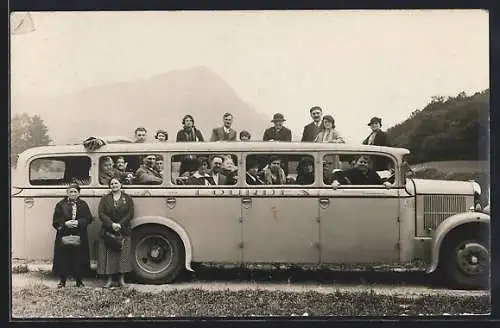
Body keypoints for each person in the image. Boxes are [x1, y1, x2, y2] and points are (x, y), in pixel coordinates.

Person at [52, 182, 92, 288]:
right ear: (67, 193)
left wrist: (78, 222)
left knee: (78, 258)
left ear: (79, 193)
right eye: (71, 191)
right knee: (63, 258)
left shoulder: (83, 204)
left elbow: (88, 218)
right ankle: (62, 281)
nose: (73, 193)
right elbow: (55, 220)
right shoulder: (60, 205)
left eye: (75, 191)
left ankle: (79, 281)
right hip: (64, 234)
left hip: (79, 234)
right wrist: (65, 224)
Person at [97, 178, 134, 288]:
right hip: (108, 231)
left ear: (120, 184)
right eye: (112, 183)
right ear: (109, 186)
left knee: (123, 256)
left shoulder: (127, 198)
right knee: (109, 256)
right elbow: (101, 213)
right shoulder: (104, 198)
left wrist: (120, 224)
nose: (114, 185)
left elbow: (130, 214)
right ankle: (109, 280)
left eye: (116, 183)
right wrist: (111, 224)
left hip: (123, 231)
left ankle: (122, 280)